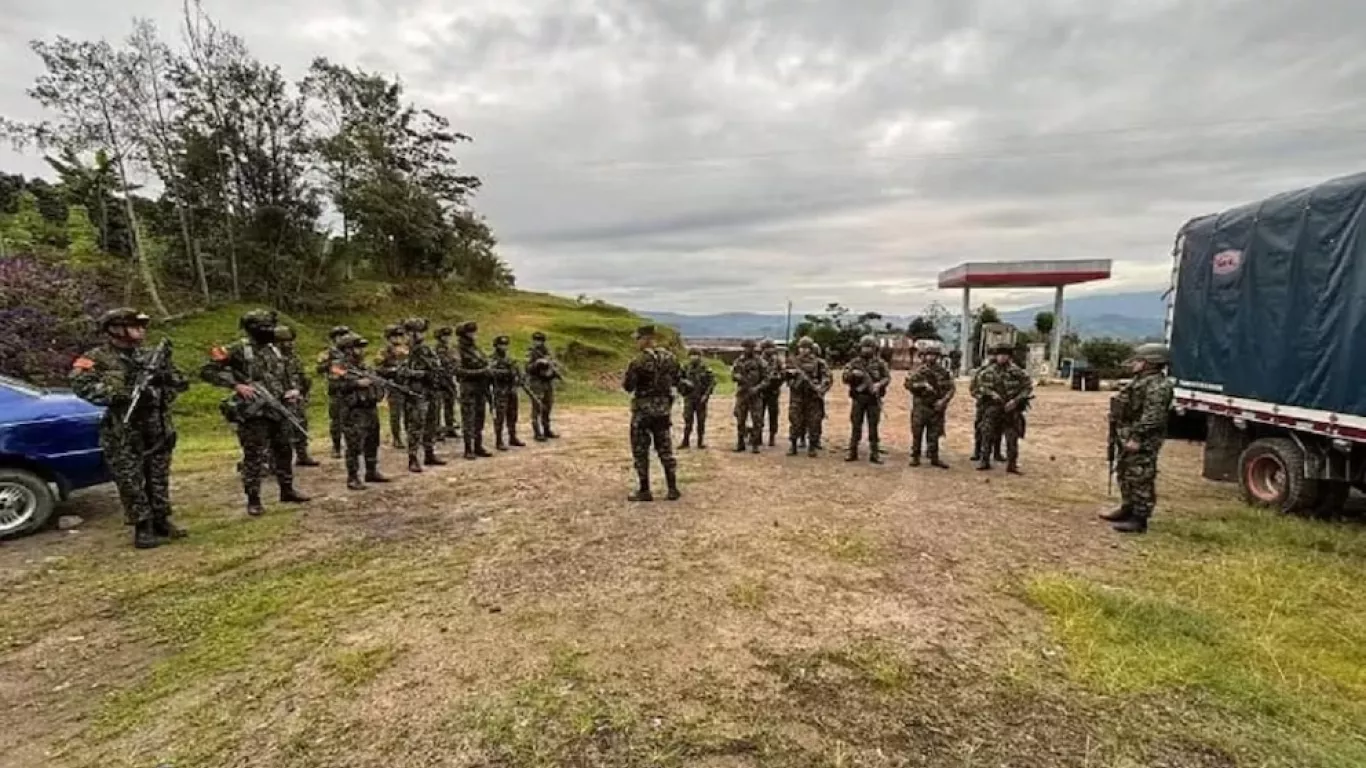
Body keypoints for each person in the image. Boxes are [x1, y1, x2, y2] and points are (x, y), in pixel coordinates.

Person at [70, 308, 189, 548]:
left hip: (157, 427)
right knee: (130, 479)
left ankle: (161, 519)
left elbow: (181, 382)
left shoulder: (150, 355)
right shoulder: (96, 358)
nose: (142, 330)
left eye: (142, 326)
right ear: (116, 329)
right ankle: (142, 526)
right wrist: (122, 394)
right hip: (123, 430)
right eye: (136, 326)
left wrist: (164, 378)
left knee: (157, 475)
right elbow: (81, 384)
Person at [201, 309, 311, 516]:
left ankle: (287, 490)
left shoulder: (275, 350)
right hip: (254, 414)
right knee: (254, 456)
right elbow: (208, 370)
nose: (271, 331)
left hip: (279, 409)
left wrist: (293, 390)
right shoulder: (237, 349)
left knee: (284, 450)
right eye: (266, 328)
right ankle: (254, 499)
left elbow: (287, 374)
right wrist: (236, 385)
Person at [1102, 344, 1175, 533]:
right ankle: (1128, 507)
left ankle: (1139, 518)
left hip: (1143, 438)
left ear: (1150, 363)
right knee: (1125, 471)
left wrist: (1137, 436)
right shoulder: (1139, 381)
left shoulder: (1158, 386)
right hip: (1127, 434)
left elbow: (1153, 417)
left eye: (1139, 360)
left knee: (1140, 475)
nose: (1134, 363)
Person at [622, 324, 681, 501]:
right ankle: (672, 489)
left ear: (645, 339)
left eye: (638, 339)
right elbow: (679, 380)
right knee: (665, 448)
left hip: (643, 411)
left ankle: (645, 490)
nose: (637, 343)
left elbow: (628, 386)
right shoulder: (670, 358)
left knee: (641, 450)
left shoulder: (638, 361)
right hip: (663, 410)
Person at [328, 333, 392, 490]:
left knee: (372, 440)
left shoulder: (363, 365)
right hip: (353, 411)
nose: (361, 351)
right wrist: (357, 383)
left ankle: (371, 471)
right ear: (348, 349)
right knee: (354, 444)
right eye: (358, 348)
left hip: (369, 407)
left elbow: (374, 379)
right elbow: (334, 387)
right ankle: (353, 477)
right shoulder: (338, 366)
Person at [395, 317, 446, 472]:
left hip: (431, 390)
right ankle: (413, 458)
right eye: (416, 332)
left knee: (431, 423)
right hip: (415, 392)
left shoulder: (426, 349)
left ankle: (429, 453)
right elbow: (399, 371)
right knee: (416, 425)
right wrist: (419, 374)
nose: (420, 335)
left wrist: (434, 372)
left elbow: (437, 364)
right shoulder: (403, 351)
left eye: (421, 332)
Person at [974, 344, 1033, 473]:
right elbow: (979, 386)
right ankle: (984, 461)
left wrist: (1015, 401)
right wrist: (991, 394)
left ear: (1009, 357)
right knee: (987, 435)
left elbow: (1027, 387)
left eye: (1005, 355)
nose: (1002, 357)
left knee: (1012, 438)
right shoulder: (988, 371)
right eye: (999, 355)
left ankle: (1012, 464)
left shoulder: (1017, 372)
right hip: (993, 408)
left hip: (1011, 410)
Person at [904, 341, 955, 468]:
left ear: (938, 357)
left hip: (936, 407)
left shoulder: (944, 372)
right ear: (924, 356)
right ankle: (915, 456)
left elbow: (951, 389)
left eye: (934, 355)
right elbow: (908, 385)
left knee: (934, 434)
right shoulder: (918, 371)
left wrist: (943, 401)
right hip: (921, 407)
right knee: (917, 433)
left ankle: (934, 457)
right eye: (929, 355)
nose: (931, 357)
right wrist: (921, 385)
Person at [274, 325, 319, 467]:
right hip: (281, 399)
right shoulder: (272, 358)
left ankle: (302, 454)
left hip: (297, 397)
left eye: (290, 341)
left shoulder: (293, 357)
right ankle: (272, 461)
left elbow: (301, 375)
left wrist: (302, 391)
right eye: (285, 341)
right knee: (280, 431)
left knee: (301, 424)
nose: (289, 344)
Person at [842, 335, 891, 463]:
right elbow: (844, 377)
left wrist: (878, 385)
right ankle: (853, 452)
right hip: (858, 399)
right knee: (856, 426)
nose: (866, 350)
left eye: (869, 347)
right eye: (864, 347)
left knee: (873, 427)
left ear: (874, 348)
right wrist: (853, 374)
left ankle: (874, 454)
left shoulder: (880, 363)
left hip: (873, 400)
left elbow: (887, 377)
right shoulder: (854, 363)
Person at [784, 336, 832, 457]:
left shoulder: (819, 363)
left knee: (814, 422)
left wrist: (821, 388)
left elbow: (827, 378)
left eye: (806, 348)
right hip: (797, 396)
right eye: (801, 348)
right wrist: (790, 376)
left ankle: (812, 446)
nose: (803, 350)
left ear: (811, 349)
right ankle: (793, 445)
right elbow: (783, 376)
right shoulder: (793, 362)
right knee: (795, 421)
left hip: (813, 397)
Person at [453, 321, 494, 460]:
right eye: (471, 333)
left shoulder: (476, 348)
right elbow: (458, 371)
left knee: (479, 417)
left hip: (481, 388)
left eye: (474, 332)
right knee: (468, 418)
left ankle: (478, 445)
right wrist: (481, 371)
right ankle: (468, 448)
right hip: (468, 387)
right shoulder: (457, 349)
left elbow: (485, 361)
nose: (474, 335)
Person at [316, 325, 351, 458]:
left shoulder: (350, 352)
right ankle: (336, 446)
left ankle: (350, 445)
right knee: (336, 420)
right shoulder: (328, 353)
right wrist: (330, 364)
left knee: (351, 419)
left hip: (350, 388)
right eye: (340, 336)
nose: (343, 339)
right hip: (336, 389)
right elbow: (319, 368)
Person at [488, 335, 526, 450]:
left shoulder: (510, 359)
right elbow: (491, 372)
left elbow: (518, 371)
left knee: (513, 415)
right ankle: (499, 440)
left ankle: (512, 437)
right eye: (501, 345)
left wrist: (519, 378)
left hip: (511, 390)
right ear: (496, 346)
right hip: (500, 390)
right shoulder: (493, 358)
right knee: (499, 416)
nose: (503, 347)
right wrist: (506, 373)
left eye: (505, 345)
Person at [730, 339, 767, 453]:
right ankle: (740, 442)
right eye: (746, 347)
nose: (747, 350)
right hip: (742, 393)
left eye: (750, 347)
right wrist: (738, 377)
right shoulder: (738, 361)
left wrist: (757, 388)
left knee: (757, 420)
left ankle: (755, 444)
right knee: (740, 419)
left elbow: (766, 379)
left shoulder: (760, 362)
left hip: (755, 394)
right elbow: (733, 375)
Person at [525, 331, 561, 440]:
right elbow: (527, 368)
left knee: (548, 406)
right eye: (536, 340)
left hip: (547, 382)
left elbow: (554, 363)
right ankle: (537, 432)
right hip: (537, 382)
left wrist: (553, 370)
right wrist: (537, 363)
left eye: (540, 340)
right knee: (537, 407)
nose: (537, 342)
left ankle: (547, 429)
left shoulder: (547, 351)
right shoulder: (531, 353)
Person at [677, 348, 715, 449]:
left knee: (701, 421)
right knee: (688, 420)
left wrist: (706, 396)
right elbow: (678, 380)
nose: (694, 357)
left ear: (700, 357)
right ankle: (685, 441)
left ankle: (700, 442)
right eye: (692, 355)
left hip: (701, 399)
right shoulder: (685, 367)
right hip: (689, 398)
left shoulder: (705, 368)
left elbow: (711, 383)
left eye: (696, 355)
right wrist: (683, 388)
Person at [378, 325, 408, 449]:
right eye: (394, 336)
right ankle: (396, 438)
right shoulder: (384, 352)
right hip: (394, 385)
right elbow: (378, 369)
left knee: (410, 413)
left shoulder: (407, 349)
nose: (397, 339)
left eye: (400, 336)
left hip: (408, 384)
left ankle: (410, 435)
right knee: (396, 414)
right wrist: (392, 371)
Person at [969, 365, 1006, 464]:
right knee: (980, 428)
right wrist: (980, 397)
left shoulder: (1006, 370)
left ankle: (997, 452)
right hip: (983, 405)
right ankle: (977, 452)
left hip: (999, 405)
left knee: (998, 428)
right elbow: (973, 388)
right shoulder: (981, 371)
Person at [433, 326, 461, 440]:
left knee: (450, 404)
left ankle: (450, 428)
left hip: (450, 379)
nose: (447, 338)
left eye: (448, 336)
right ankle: (437, 430)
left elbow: (457, 361)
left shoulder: (452, 349)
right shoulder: (436, 349)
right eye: (445, 336)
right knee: (437, 406)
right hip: (440, 381)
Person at [759, 338, 783, 446]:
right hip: (761, 391)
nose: (770, 350)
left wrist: (777, 378)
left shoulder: (777, 360)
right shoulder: (759, 360)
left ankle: (772, 436)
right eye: (768, 348)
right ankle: (757, 435)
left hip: (773, 391)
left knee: (773, 414)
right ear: (763, 349)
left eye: (772, 347)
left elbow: (783, 374)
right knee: (758, 414)